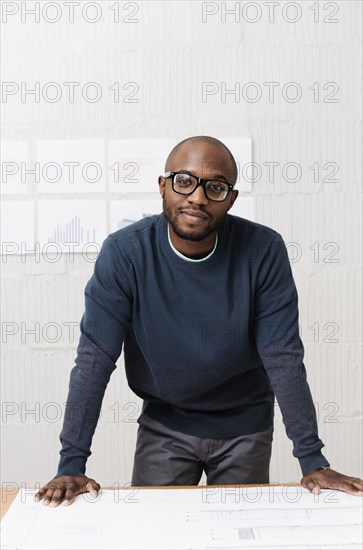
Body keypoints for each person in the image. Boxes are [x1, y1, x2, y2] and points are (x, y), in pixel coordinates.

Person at [35, 136, 363, 507]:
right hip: (164, 426)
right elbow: (95, 358)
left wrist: (312, 458)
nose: (198, 197)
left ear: (231, 199)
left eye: (216, 187)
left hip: (246, 427)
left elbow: (282, 356)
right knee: (156, 535)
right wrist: (71, 463)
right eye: (184, 181)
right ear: (163, 185)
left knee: (239, 534)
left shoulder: (263, 251)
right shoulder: (125, 254)